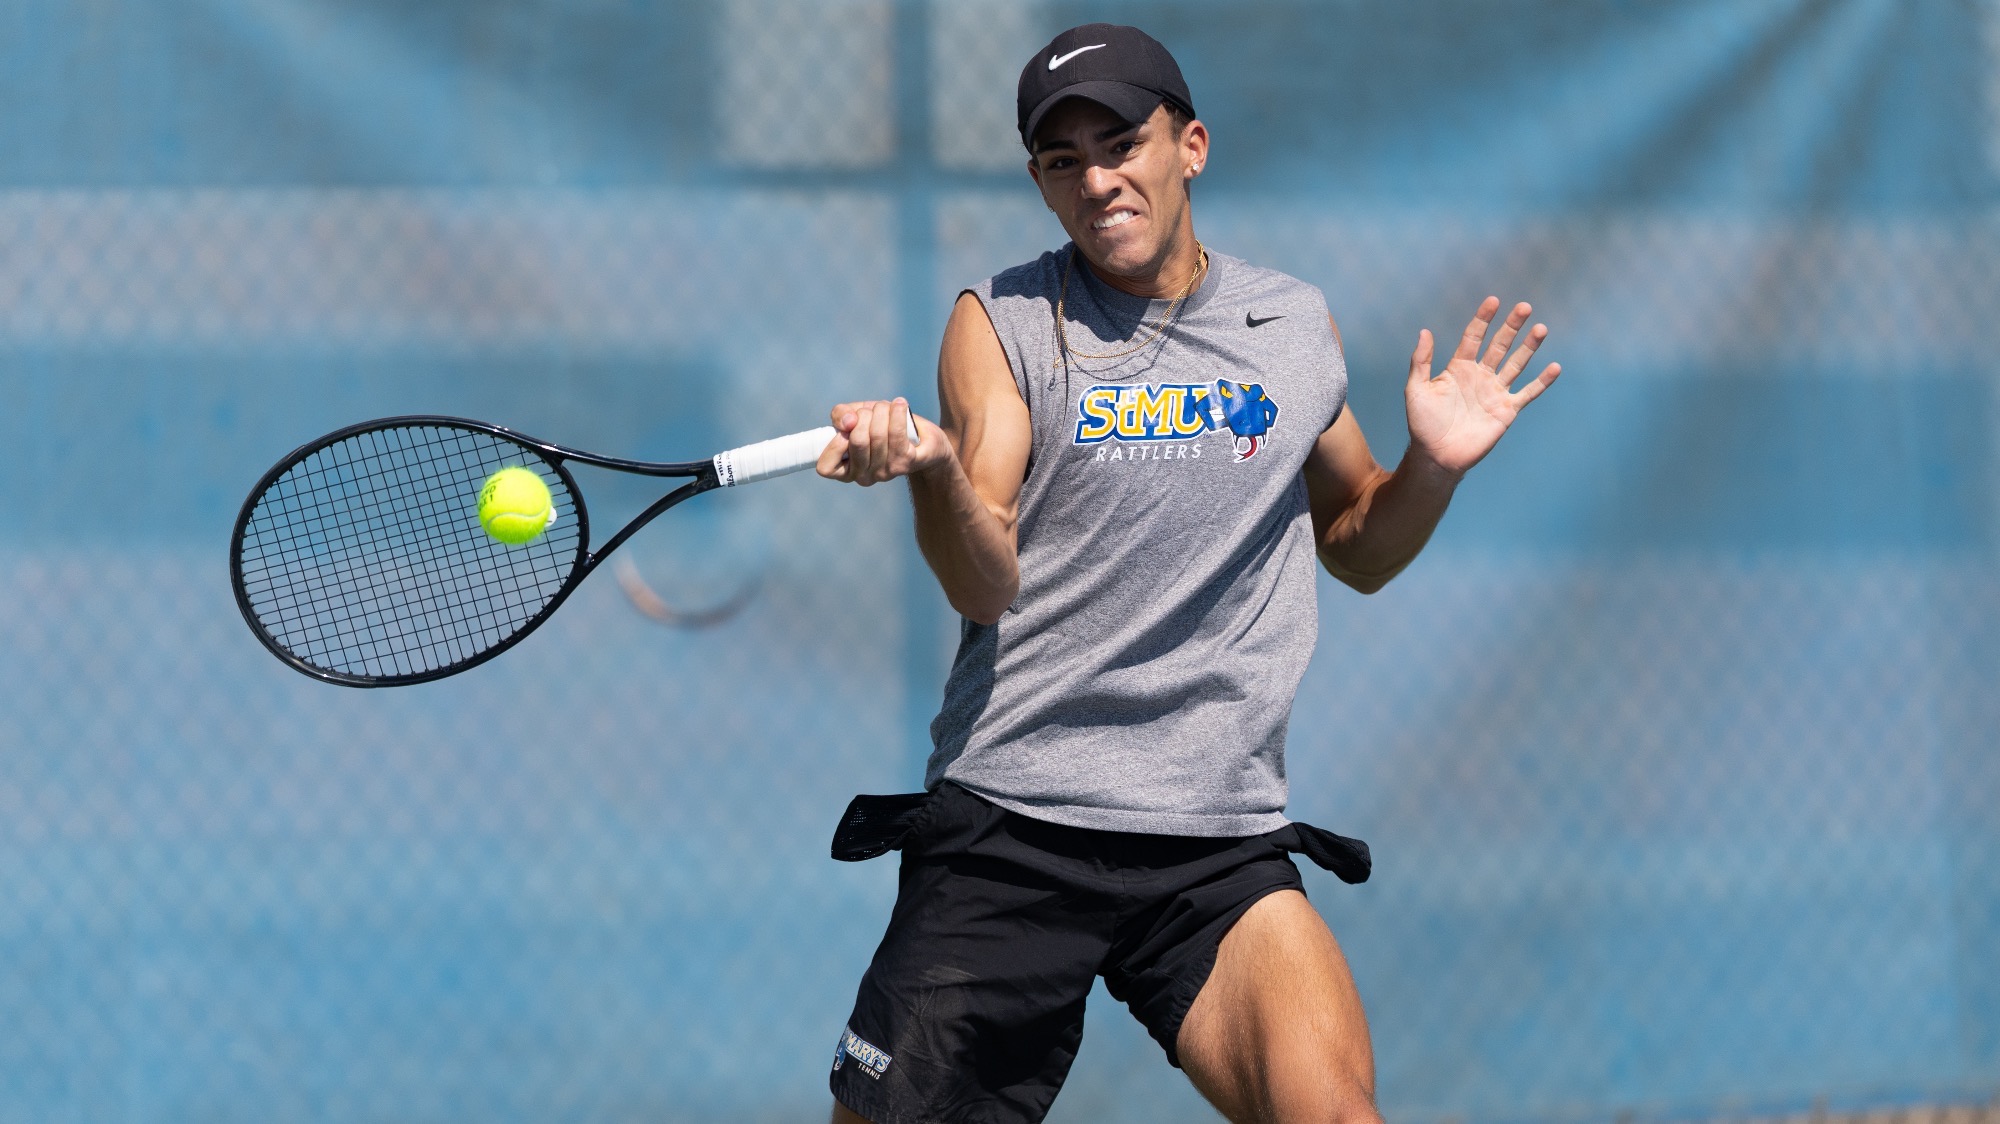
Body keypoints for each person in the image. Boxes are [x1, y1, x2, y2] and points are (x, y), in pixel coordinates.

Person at [815, 23, 1560, 1124]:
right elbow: (983, 578)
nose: (1096, 180)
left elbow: (1356, 544)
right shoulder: (1004, 322)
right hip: (1013, 830)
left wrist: (1432, 472)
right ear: (1038, 182)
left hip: (1214, 843)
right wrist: (932, 471)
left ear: (1190, 146)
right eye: (1061, 162)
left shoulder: (1290, 324)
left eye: (1120, 143)